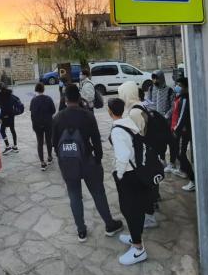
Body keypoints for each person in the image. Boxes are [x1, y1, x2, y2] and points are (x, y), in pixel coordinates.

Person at [51, 84, 123, 242]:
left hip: (68, 163)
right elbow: (96, 140)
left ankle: (81, 231)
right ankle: (109, 224)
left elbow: (54, 143)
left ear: (65, 98)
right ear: (79, 97)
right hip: (88, 160)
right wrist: (98, 159)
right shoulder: (87, 115)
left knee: (74, 196)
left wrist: (62, 160)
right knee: (98, 193)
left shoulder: (57, 118)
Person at [107, 98, 149, 265]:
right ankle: (135, 237)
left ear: (110, 112)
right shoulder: (129, 123)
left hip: (128, 175)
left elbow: (123, 156)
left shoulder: (117, 130)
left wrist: (119, 174)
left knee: (129, 210)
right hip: (137, 171)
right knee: (136, 208)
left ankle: (138, 249)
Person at [118, 81, 158, 229]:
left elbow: (136, 135)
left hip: (142, 156)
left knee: (143, 187)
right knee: (146, 186)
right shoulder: (138, 106)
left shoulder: (134, 112)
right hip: (146, 153)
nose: (121, 97)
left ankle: (149, 217)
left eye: (122, 94)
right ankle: (149, 211)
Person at [149, 70, 177, 173]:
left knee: (171, 142)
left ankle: (172, 162)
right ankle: (162, 159)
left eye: (156, 78)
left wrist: (166, 115)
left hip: (167, 122)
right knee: (160, 142)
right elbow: (149, 102)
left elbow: (173, 106)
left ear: (161, 78)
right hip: (155, 122)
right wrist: (150, 112)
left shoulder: (169, 90)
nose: (154, 80)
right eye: (153, 78)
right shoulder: (151, 89)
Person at [171, 78, 195, 191]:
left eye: (180, 85)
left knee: (181, 154)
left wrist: (176, 129)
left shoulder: (185, 98)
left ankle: (193, 180)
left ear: (186, 87)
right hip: (178, 129)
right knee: (179, 153)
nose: (177, 87)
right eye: (177, 85)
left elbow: (182, 116)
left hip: (183, 131)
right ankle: (184, 171)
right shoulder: (179, 97)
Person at [30, 82, 56, 170]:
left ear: (36, 90)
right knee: (48, 140)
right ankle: (49, 157)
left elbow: (32, 113)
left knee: (40, 142)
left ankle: (42, 162)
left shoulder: (33, 100)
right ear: (43, 89)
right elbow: (53, 110)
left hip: (37, 124)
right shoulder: (48, 99)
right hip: (48, 123)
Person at [0, 82, 18, 154]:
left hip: (5, 116)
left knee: (2, 131)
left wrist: (1, 118)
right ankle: (15, 146)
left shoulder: (1, 95)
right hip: (11, 114)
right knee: (12, 130)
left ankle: (7, 146)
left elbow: (3, 108)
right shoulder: (10, 94)